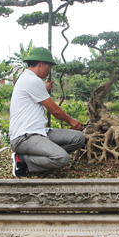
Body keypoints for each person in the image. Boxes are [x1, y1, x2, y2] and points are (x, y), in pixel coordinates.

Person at [9, 47, 85, 177]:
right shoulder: (32, 81)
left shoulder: (29, 78)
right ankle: (22, 160)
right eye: (48, 66)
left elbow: (36, 93)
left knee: (78, 138)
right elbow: (55, 110)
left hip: (38, 132)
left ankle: (45, 156)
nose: (49, 70)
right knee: (62, 158)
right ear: (41, 64)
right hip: (23, 137)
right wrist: (71, 121)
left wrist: (44, 89)